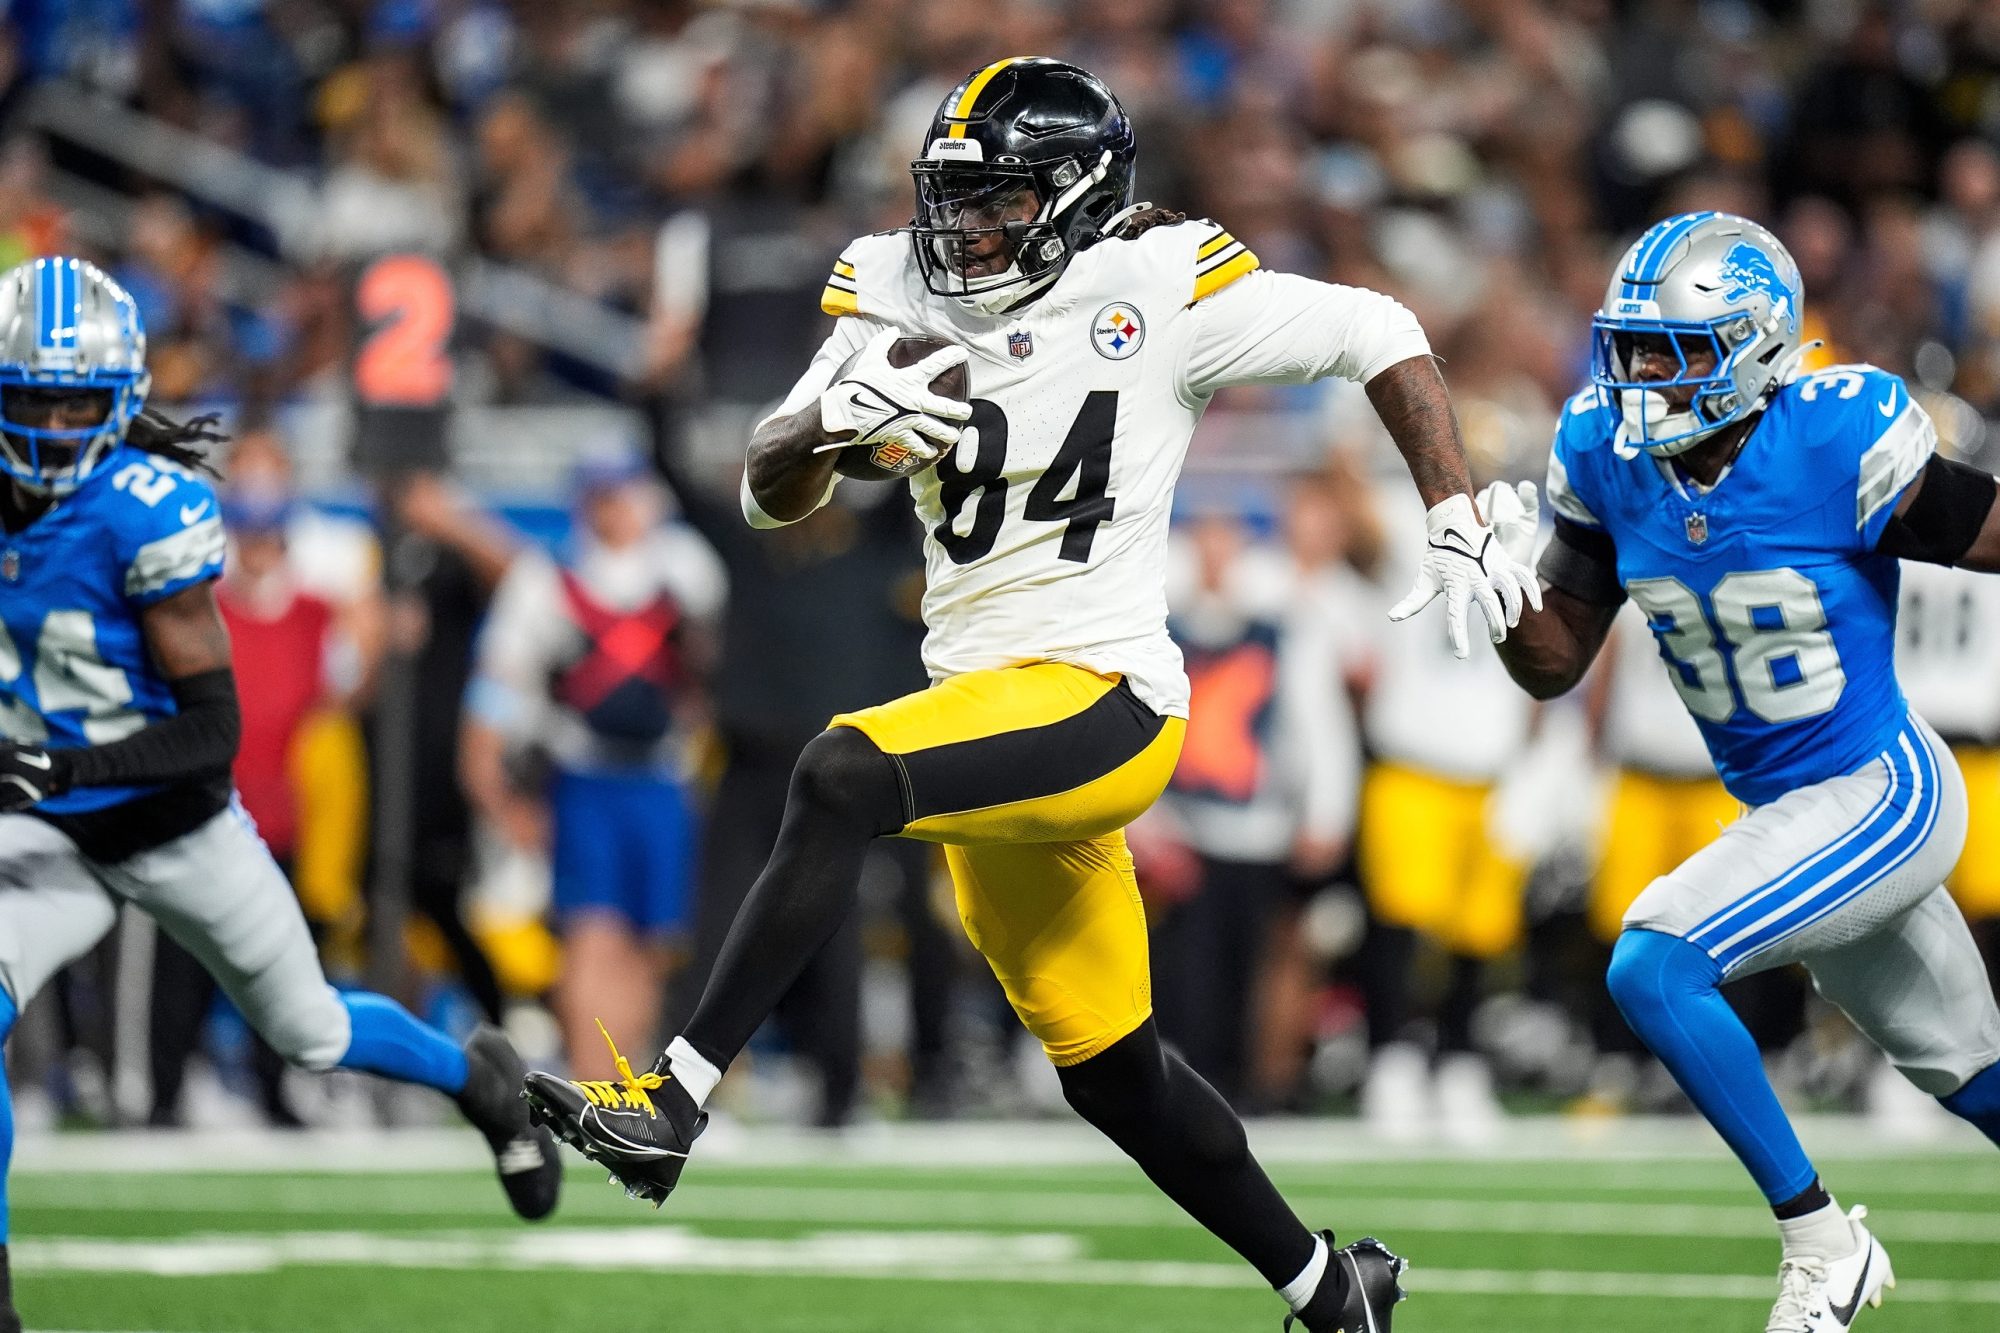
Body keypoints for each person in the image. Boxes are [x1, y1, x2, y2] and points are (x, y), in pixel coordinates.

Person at [524, 58, 1537, 1333]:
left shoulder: (1158, 284)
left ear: (1077, 196)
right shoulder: (889, 282)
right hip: (984, 718)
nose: (962, 228)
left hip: (1102, 701)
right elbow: (764, 490)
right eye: (952, 196)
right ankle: (1332, 1289)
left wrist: (1449, 507)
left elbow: (1379, 330)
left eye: (997, 200)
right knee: (1113, 1075)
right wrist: (829, 425)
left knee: (839, 772)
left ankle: (672, 1101)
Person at [0, 258, 561, 1333]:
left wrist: (57, 768)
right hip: (47, 831)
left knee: (307, 1030)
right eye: (35, 398)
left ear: (120, 399)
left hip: (171, 818)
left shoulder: (143, 513)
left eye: (80, 399)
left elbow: (214, 732)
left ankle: (476, 1078)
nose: (60, 424)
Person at [1482, 211, 2000, 1333]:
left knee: (1653, 963)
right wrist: (1500, 597)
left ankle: (1823, 1244)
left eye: (1671, 353)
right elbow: (1552, 663)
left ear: (1756, 347)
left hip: (1878, 791)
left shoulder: (1832, 434)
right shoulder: (1600, 456)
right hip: (1789, 814)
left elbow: (1984, 529)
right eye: (1629, 349)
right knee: (1977, 1078)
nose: (1640, 380)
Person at [461, 449, 723, 1079]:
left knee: (654, 942)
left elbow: (710, 670)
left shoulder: (684, 567)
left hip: (663, 774)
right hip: (586, 776)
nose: (613, 509)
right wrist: (494, 793)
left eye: (622, 492)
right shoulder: (545, 579)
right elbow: (498, 687)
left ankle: (629, 1081)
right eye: (601, 495)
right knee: (592, 935)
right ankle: (590, 1082)